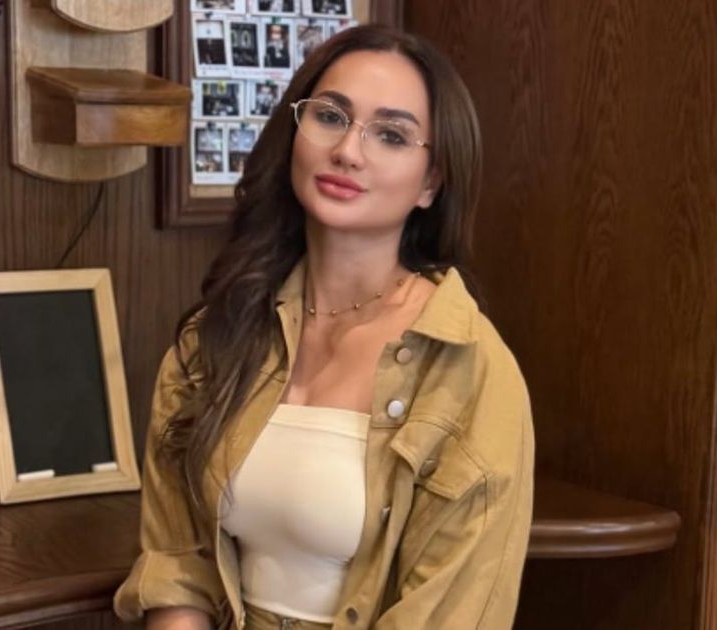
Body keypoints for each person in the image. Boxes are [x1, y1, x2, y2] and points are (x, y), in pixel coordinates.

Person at [114, 24, 534, 630]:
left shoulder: (472, 369)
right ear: (295, 134)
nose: (348, 152)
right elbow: (177, 563)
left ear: (431, 183)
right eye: (331, 117)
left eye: (391, 135)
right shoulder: (216, 335)